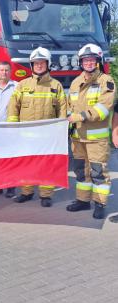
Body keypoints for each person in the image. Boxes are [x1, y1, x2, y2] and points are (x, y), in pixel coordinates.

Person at [7, 47, 67, 207]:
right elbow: (13, 107)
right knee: (27, 163)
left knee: (47, 165)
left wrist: (61, 130)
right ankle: (26, 192)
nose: (39, 66)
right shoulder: (22, 85)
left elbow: (62, 110)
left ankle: (46, 195)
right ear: (31, 65)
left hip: (48, 136)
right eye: (36, 63)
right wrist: (13, 129)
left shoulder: (56, 86)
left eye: (42, 63)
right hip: (25, 135)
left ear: (48, 65)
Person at [66, 44, 115, 219]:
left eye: (92, 59)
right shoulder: (75, 82)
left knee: (98, 173)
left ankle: (100, 204)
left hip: (96, 139)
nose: (88, 62)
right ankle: (83, 200)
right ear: (80, 62)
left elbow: (103, 109)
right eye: (85, 60)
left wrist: (80, 116)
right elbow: (70, 107)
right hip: (78, 137)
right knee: (81, 171)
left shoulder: (106, 81)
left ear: (98, 61)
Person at [0, 61, 18, 198]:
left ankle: (11, 187)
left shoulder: (17, 87)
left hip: (11, 129)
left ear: (10, 72)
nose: (4, 73)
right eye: (1, 70)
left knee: (10, 159)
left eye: (6, 70)